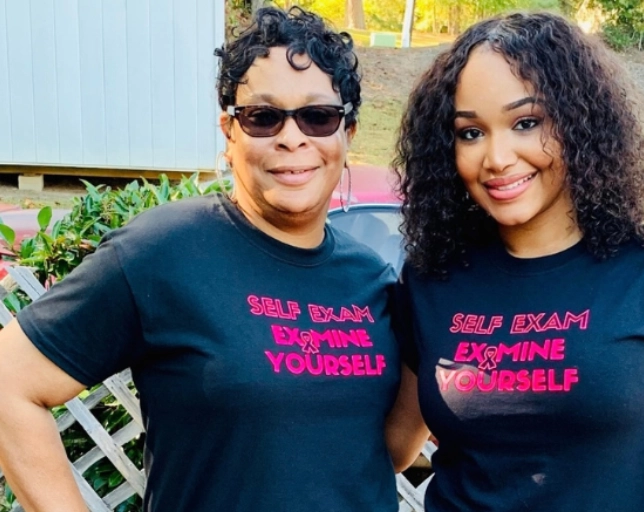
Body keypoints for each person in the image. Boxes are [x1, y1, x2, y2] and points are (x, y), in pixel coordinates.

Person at [0, 7, 401, 512]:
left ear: (349, 133)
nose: (292, 137)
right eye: (263, 117)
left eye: (318, 117)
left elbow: (384, 451)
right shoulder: (163, 251)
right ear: (229, 131)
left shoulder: (372, 278)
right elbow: (8, 380)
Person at [384, 11, 644, 512]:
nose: (497, 156)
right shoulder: (432, 278)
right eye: (470, 133)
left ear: (579, 124)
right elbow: (392, 448)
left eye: (526, 123)